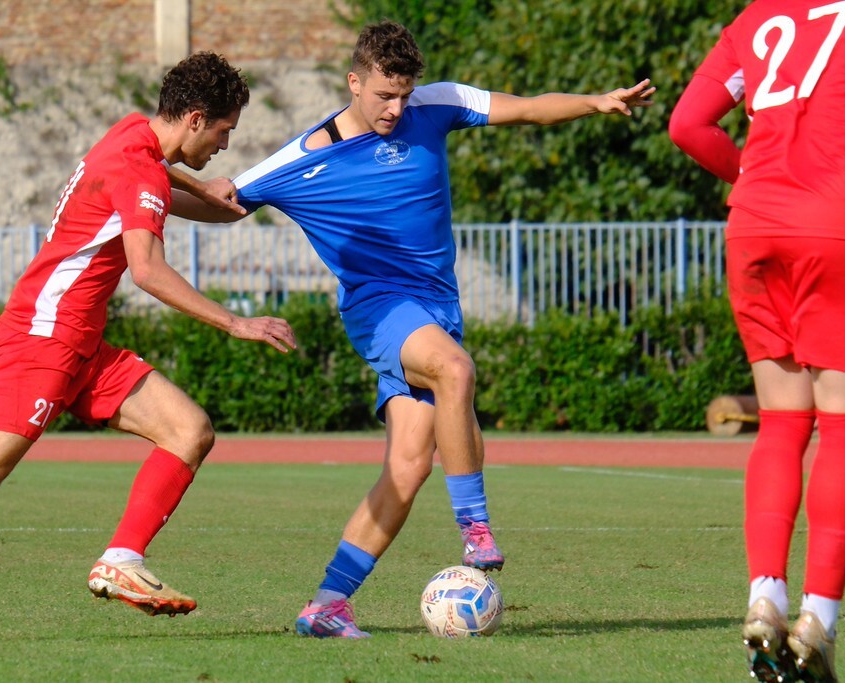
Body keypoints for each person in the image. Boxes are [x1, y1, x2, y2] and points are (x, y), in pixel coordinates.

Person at [172, 20, 654, 638]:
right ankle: (475, 531)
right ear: (354, 81)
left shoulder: (437, 105)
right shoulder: (304, 156)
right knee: (456, 371)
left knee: (407, 468)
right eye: (382, 96)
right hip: (379, 308)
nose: (395, 109)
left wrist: (596, 102)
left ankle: (326, 606)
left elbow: (528, 111)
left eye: (403, 95)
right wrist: (146, 191)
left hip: (437, 308)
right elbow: (221, 207)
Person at [0, 52, 296, 643]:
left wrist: (206, 190)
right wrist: (235, 323)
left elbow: (162, 180)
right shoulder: (143, 170)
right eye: (223, 130)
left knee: (189, 430)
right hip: (43, 336)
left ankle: (122, 560)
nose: (226, 144)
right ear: (193, 117)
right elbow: (149, 271)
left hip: (81, 340)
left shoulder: (134, 133)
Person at [670, 2, 845, 681]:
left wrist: (750, 179)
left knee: (782, 424)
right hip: (840, 222)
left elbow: (688, 125)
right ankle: (819, 618)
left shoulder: (759, 18)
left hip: (755, 226)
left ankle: (764, 598)